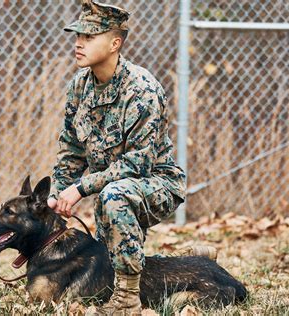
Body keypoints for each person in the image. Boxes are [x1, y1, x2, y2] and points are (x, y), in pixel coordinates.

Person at [47, 1, 186, 314]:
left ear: (115, 43)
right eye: (77, 35)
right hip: (110, 188)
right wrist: (57, 195)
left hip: (156, 184)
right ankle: (193, 261)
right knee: (109, 249)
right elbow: (70, 151)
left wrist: (81, 188)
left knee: (113, 196)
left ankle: (127, 301)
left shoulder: (143, 90)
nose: (78, 43)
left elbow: (137, 165)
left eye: (89, 37)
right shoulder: (79, 88)